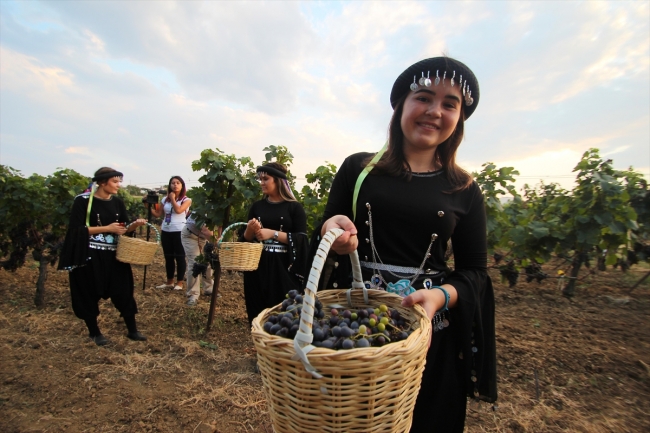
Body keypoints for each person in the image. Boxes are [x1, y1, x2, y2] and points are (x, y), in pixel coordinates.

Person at [312, 57, 497, 432]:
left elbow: (475, 273)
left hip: (425, 340)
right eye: (423, 97)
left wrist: (440, 297)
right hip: (353, 333)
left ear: (459, 118)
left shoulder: (464, 189)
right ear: (401, 106)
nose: (434, 111)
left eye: (449, 104)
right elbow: (326, 228)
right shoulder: (358, 169)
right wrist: (333, 233)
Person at [58, 167, 148, 346]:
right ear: (101, 182)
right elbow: (76, 230)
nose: (118, 185)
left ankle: (132, 330)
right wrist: (107, 228)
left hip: (114, 255)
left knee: (124, 290)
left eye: (119, 182)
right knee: (88, 291)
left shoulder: (117, 203)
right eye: (115, 182)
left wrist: (133, 226)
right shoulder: (83, 201)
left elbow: (121, 229)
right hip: (89, 255)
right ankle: (94, 332)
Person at [240, 162, 309, 324]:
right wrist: (250, 230)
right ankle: (261, 344)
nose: (262, 182)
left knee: (284, 310)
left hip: (284, 268)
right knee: (258, 309)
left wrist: (273, 234)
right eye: (260, 179)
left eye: (266, 178)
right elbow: (246, 240)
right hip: (258, 266)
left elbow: (302, 241)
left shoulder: (294, 208)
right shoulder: (257, 207)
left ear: (278, 180)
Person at [150, 176, 191, 291]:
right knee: (168, 257)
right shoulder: (164, 200)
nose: (175, 185)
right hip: (166, 230)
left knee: (180, 257)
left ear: (182, 186)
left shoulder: (186, 200)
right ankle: (169, 281)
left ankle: (179, 283)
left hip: (179, 230)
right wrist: (147, 206)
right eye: (173, 183)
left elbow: (178, 210)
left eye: (178, 183)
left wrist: (173, 199)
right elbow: (158, 214)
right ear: (170, 185)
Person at [182, 212, 219, 306]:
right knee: (195, 262)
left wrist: (219, 237)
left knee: (209, 261)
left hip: (206, 237)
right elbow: (205, 230)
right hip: (191, 236)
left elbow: (220, 225)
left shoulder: (220, 208)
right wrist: (218, 244)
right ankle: (193, 294)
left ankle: (209, 288)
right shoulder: (204, 210)